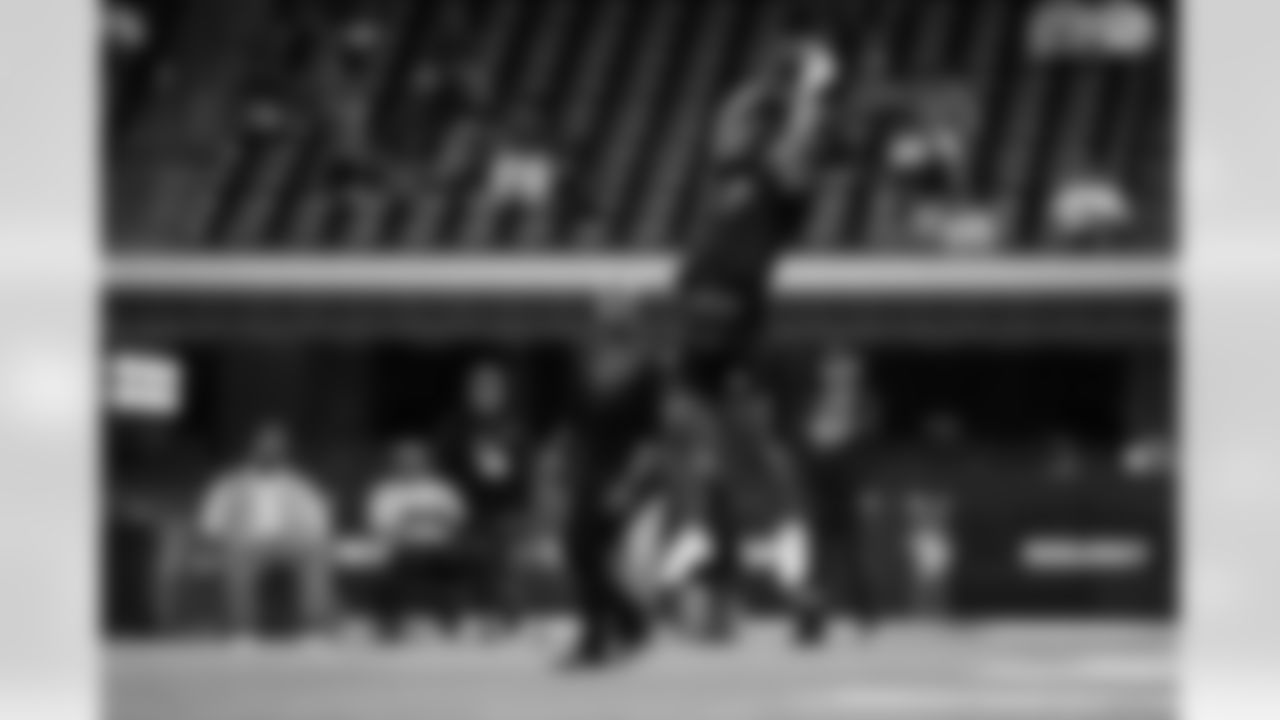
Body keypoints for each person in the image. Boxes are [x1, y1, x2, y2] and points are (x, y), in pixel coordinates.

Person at [551, 296, 660, 668]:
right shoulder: (584, 369)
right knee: (581, 551)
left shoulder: (646, 372)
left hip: (623, 473)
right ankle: (628, 621)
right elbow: (573, 429)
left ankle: (598, 637)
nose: (611, 326)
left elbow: (649, 439)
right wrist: (564, 473)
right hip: (589, 472)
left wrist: (626, 486)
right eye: (606, 319)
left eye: (619, 319)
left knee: (588, 551)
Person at [198, 423, 334, 640]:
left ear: (284, 452)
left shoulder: (299, 485)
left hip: (289, 544)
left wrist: (307, 537)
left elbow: (319, 523)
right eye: (264, 447)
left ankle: (313, 629)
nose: (270, 452)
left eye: (276, 448)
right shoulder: (229, 483)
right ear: (252, 449)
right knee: (237, 552)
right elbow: (211, 524)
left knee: (316, 551)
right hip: (246, 543)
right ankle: (242, 629)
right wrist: (225, 539)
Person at [442, 360, 533, 633]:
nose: (484, 393)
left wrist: (504, 471)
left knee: (504, 561)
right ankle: (457, 618)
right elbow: (446, 466)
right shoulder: (457, 426)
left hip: (506, 506)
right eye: (479, 387)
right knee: (460, 561)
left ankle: (508, 619)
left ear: (502, 392)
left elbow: (524, 471)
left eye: (491, 387)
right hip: (465, 505)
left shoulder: (514, 427)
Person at [366, 440, 472, 640]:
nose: (411, 466)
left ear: (426, 463)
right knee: (387, 566)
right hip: (403, 550)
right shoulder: (385, 492)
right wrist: (423, 521)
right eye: (405, 462)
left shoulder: (441, 489)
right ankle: (389, 624)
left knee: (457, 558)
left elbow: (457, 520)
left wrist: (414, 520)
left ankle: (450, 620)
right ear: (395, 464)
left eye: (416, 461)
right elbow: (382, 526)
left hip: (440, 548)